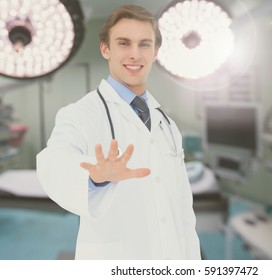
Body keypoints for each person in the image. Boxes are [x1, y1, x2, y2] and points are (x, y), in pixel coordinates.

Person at [36, 4, 201, 260]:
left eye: (144, 44)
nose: (135, 54)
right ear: (106, 49)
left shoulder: (167, 124)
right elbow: (54, 162)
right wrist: (95, 178)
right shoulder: (80, 114)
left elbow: (183, 209)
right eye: (124, 43)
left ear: (155, 52)